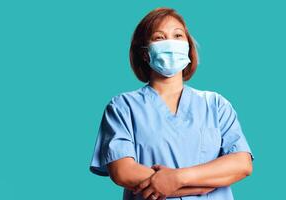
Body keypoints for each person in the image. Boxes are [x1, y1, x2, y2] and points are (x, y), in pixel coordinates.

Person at [89, 7, 254, 200]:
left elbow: (241, 164)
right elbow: (123, 171)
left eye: (178, 35)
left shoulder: (216, 105)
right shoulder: (122, 107)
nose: (170, 43)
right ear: (144, 53)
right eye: (159, 38)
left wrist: (178, 179)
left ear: (188, 48)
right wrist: (201, 185)